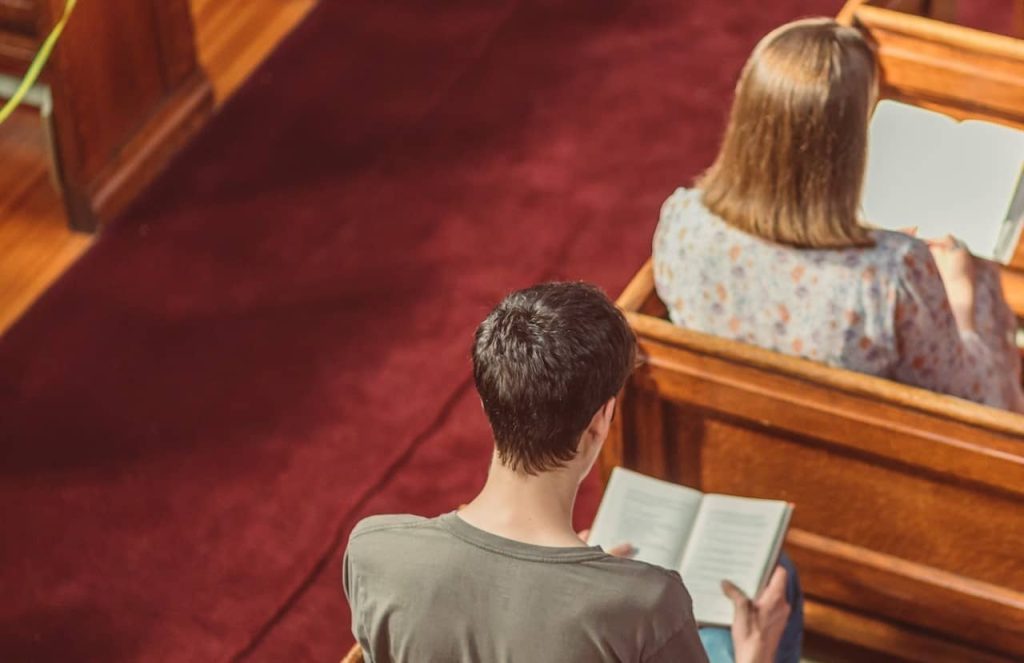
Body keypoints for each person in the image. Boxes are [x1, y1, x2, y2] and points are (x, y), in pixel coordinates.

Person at [343, 282, 803, 662]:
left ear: (487, 401)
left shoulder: (374, 551)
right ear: (601, 420)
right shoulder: (648, 604)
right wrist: (756, 655)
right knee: (768, 590)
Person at [652, 18, 1024, 412]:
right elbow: (976, 401)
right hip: (872, 453)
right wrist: (962, 293)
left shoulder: (682, 223)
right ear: (847, 145)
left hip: (729, 424)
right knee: (975, 274)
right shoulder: (891, 276)